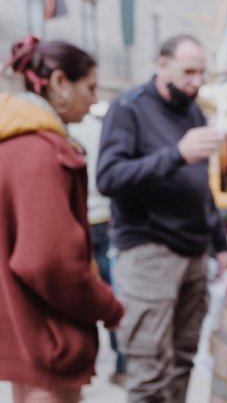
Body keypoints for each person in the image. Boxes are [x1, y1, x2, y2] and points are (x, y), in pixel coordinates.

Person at [97, 34, 227, 402]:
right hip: (149, 251)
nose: (197, 80)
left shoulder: (193, 111)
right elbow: (109, 177)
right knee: (150, 370)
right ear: (162, 64)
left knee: (183, 359)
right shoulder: (128, 108)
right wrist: (177, 153)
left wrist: (220, 244)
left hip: (193, 251)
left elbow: (200, 187)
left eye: (202, 72)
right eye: (188, 71)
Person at [0, 36, 124, 402]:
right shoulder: (41, 152)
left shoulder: (11, 142)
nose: (96, 99)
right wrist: (107, 306)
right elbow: (48, 261)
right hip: (48, 338)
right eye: (90, 87)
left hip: (24, 334)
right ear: (58, 83)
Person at [68, 102, 127, 386]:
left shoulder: (63, 129)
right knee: (110, 288)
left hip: (81, 218)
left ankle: (81, 365)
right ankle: (121, 362)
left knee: (78, 291)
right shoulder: (98, 128)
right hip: (101, 217)